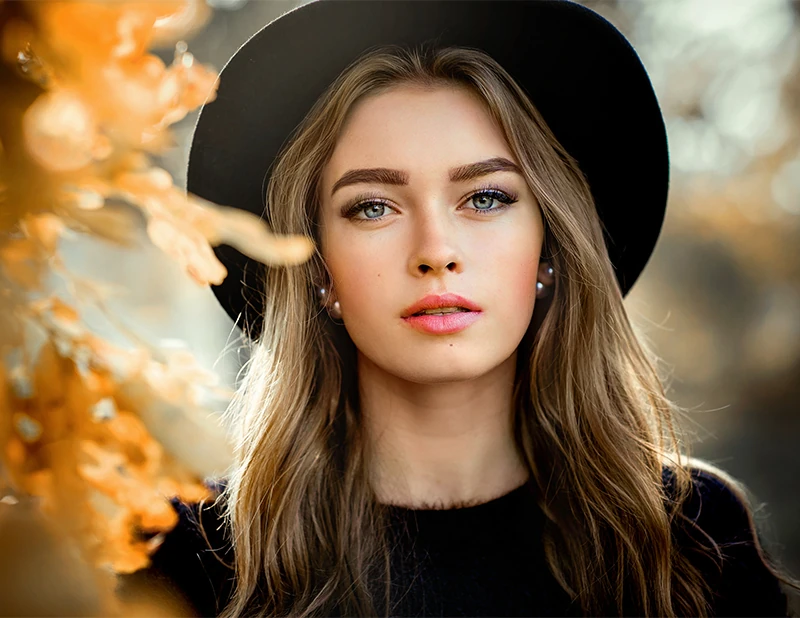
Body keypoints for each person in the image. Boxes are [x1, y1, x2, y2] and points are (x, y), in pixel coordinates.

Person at [117, 1, 799, 616]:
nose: (435, 252)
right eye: (373, 207)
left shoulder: (690, 537)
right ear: (318, 269)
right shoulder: (190, 555)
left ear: (549, 249)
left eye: (486, 198)